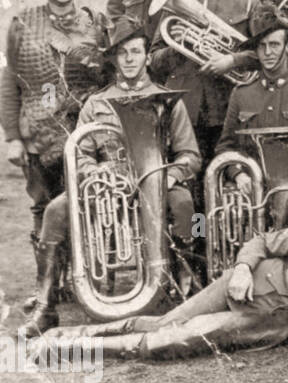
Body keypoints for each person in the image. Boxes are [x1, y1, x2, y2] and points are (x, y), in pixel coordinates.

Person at [40, 159, 288, 358]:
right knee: (165, 321)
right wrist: (241, 269)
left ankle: (73, 348)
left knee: (172, 340)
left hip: (270, 320)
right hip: (247, 282)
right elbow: (261, 241)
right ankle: (71, 333)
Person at [19, 17, 202, 336]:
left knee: (185, 203)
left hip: (155, 184)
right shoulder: (96, 103)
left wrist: (169, 177)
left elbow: (191, 156)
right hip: (108, 187)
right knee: (55, 211)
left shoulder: (168, 100)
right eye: (123, 53)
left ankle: (185, 296)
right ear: (114, 59)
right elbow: (79, 154)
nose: (130, 59)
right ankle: (46, 307)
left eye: (136, 51)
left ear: (147, 55)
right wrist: (97, 174)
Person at [1, 0, 109, 273]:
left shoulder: (93, 24)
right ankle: (48, 283)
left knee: (84, 203)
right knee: (42, 207)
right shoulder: (23, 24)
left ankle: (83, 277)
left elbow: (105, 79)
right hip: (36, 134)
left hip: (82, 134)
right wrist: (14, 139)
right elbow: (9, 80)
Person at [149, 0, 259, 164]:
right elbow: (154, 63)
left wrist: (232, 60)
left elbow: (268, 54)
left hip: (229, 106)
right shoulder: (178, 1)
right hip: (186, 107)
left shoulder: (248, 3)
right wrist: (178, 48)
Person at [214, 4, 288, 228]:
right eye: (262, 46)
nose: (267, 52)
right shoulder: (241, 93)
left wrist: (281, 186)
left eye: (275, 45)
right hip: (251, 193)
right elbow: (225, 147)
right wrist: (239, 175)